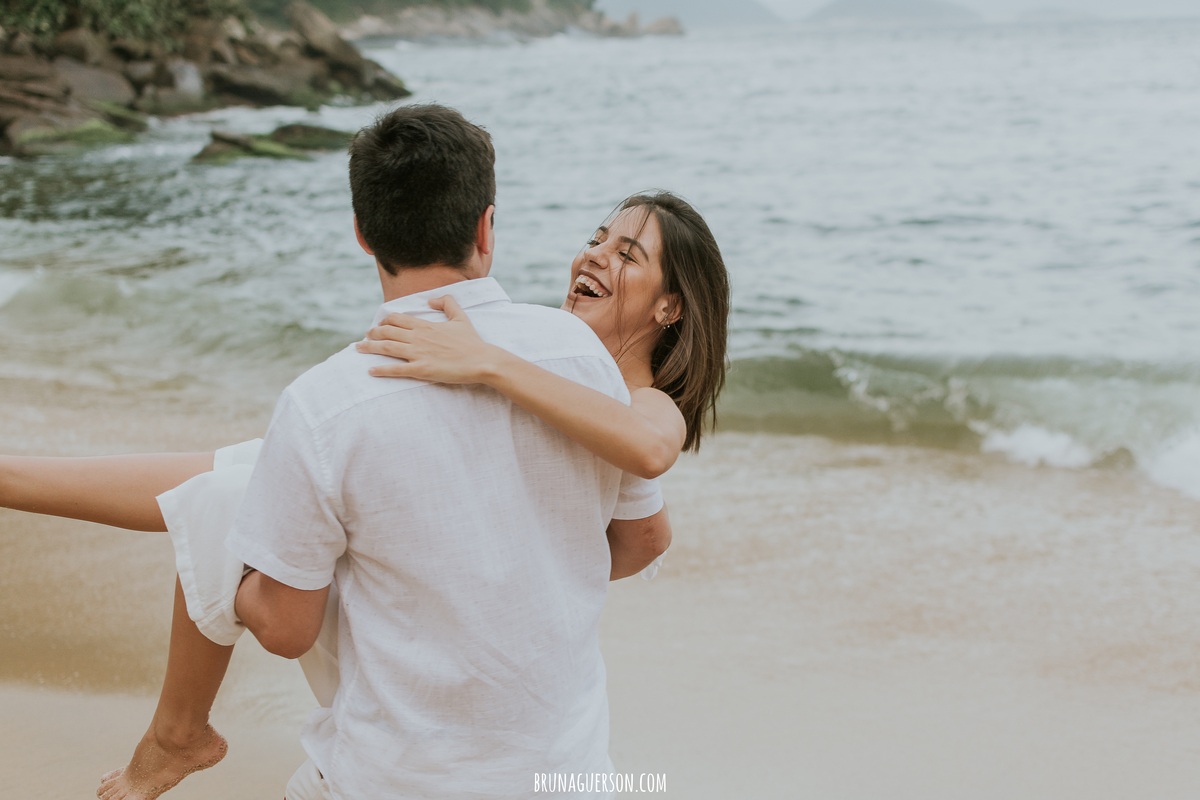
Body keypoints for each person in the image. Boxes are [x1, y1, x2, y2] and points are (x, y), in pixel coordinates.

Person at [1, 107, 729, 800]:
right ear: (487, 226)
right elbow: (641, 535)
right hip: (571, 775)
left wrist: (485, 371)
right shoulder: (575, 354)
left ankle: (176, 727)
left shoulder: (347, 395)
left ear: (360, 232)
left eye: (626, 253)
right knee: (241, 474)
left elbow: (286, 629)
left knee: (233, 498)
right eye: (598, 238)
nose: (596, 255)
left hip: (398, 779)